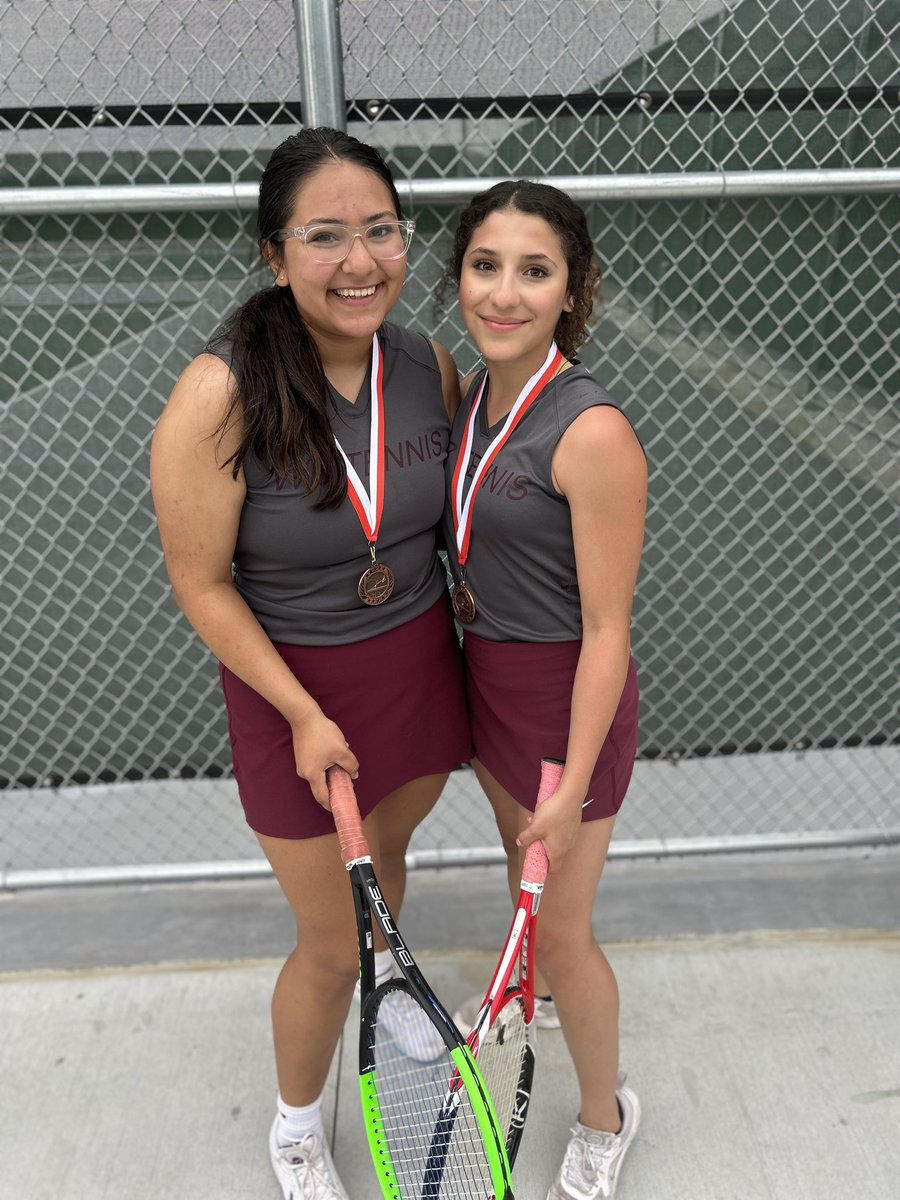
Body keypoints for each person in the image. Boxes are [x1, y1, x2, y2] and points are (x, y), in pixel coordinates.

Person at [150, 127, 472, 1200]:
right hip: (297, 701)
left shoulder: (425, 363)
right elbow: (202, 581)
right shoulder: (220, 392)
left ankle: (392, 1002)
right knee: (330, 941)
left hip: (417, 676)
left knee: (387, 864)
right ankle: (296, 1125)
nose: (359, 261)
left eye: (380, 230)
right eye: (325, 236)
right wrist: (298, 710)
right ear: (275, 253)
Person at [440, 181, 647, 1200]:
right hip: (490, 687)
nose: (505, 292)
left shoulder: (591, 429)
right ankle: (539, 990)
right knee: (519, 872)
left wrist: (567, 793)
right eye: (486, 265)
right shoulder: (466, 395)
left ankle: (608, 1117)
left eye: (535, 270)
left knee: (565, 926)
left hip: (569, 702)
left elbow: (610, 627)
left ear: (573, 290)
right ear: (459, 277)